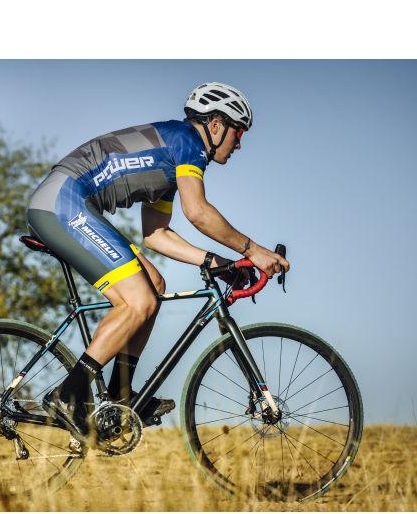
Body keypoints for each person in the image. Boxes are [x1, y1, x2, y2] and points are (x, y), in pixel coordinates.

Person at [25, 82, 289, 437]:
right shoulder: (188, 142)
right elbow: (198, 212)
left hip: (68, 203)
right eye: (237, 133)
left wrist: (217, 263)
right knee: (139, 301)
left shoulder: (171, 160)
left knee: (153, 285)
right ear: (215, 125)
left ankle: (120, 394)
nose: (239, 144)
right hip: (62, 202)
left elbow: (156, 235)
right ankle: (69, 395)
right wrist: (252, 250)